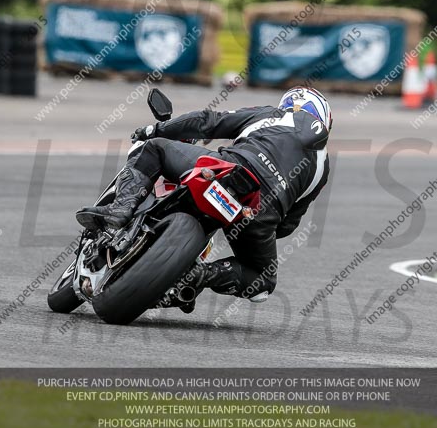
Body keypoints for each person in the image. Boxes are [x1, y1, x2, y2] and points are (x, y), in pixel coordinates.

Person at [77, 86, 331, 310]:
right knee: (263, 279)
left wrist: (156, 129)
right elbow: (287, 225)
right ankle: (201, 274)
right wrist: (255, 228)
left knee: (154, 148)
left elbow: (209, 121)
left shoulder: (274, 115)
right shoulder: (322, 168)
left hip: (228, 169)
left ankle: (121, 209)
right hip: (257, 212)